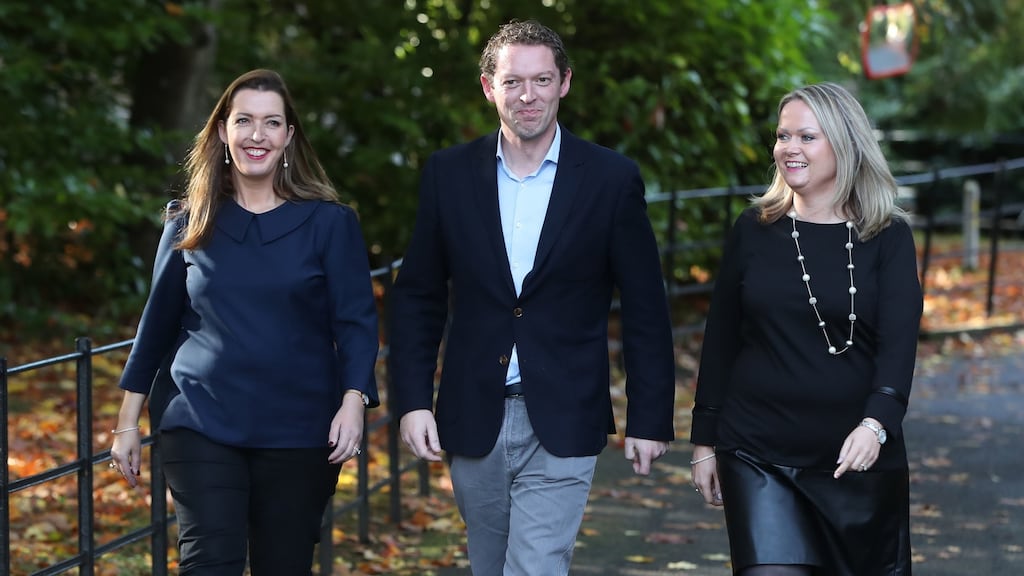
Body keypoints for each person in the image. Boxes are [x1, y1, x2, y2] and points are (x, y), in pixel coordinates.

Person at [388, 19, 676, 576]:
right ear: (488, 87)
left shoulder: (611, 180)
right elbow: (418, 297)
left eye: (542, 80)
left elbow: (645, 308)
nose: (528, 96)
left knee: (536, 566)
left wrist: (649, 417)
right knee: (489, 565)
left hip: (565, 414)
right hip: (474, 414)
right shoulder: (448, 174)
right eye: (513, 81)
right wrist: (413, 400)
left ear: (565, 82)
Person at [108, 68, 380, 575]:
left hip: (302, 427)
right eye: (245, 121)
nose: (258, 135)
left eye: (272, 123)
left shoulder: (331, 224)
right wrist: (127, 423)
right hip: (200, 419)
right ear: (222, 131)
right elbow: (157, 327)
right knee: (209, 561)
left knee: (284, 564)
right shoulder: (188, 224)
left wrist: (353, 400)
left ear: (289, 136)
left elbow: (357, 322)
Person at [689, 82, 922, 576]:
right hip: (757, 454)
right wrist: (704, 441)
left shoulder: (889, 236)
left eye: (807, 137)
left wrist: (876, 424)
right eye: (782, 136)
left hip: (855, 459)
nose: (789, 149)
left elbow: (899, 349)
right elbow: (722, 341)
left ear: (846, 144)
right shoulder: (754, 228)